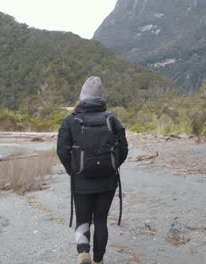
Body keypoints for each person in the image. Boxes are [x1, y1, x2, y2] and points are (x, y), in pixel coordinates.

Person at [57, 76, 128, 264]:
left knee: (83, 219)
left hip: (81, 181)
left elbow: (61, 150)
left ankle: (83, 253)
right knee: (101, 220)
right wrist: (112, 166)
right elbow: (124, 149)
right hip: (108, 181)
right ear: (100, 99)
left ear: (82, 98)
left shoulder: (70, 120)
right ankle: (98, 260)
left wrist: (73, 170)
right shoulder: (112, 119)